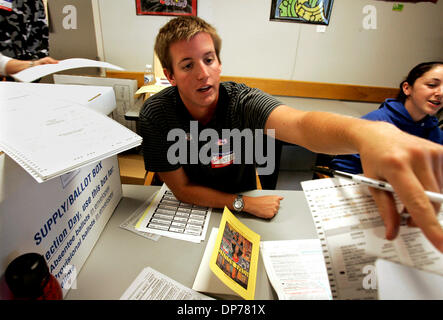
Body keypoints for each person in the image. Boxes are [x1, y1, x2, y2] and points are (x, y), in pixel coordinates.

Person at [139, 16, 443, 252]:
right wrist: (240, 202)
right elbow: (182, 190)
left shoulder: (241, 101)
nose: (203, 73)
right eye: (187, 65)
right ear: (170, 75)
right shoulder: (156, 114)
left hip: (242, 206)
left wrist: (366, 132)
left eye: (208, 60)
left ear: (219, 63)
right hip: (194, 209)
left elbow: (300, 125)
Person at [331, 62, 443, 174]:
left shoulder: (435, 131)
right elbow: (343, 167)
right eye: (432, 85)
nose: (441, 93)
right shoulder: (375, 122)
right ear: (407, 88)